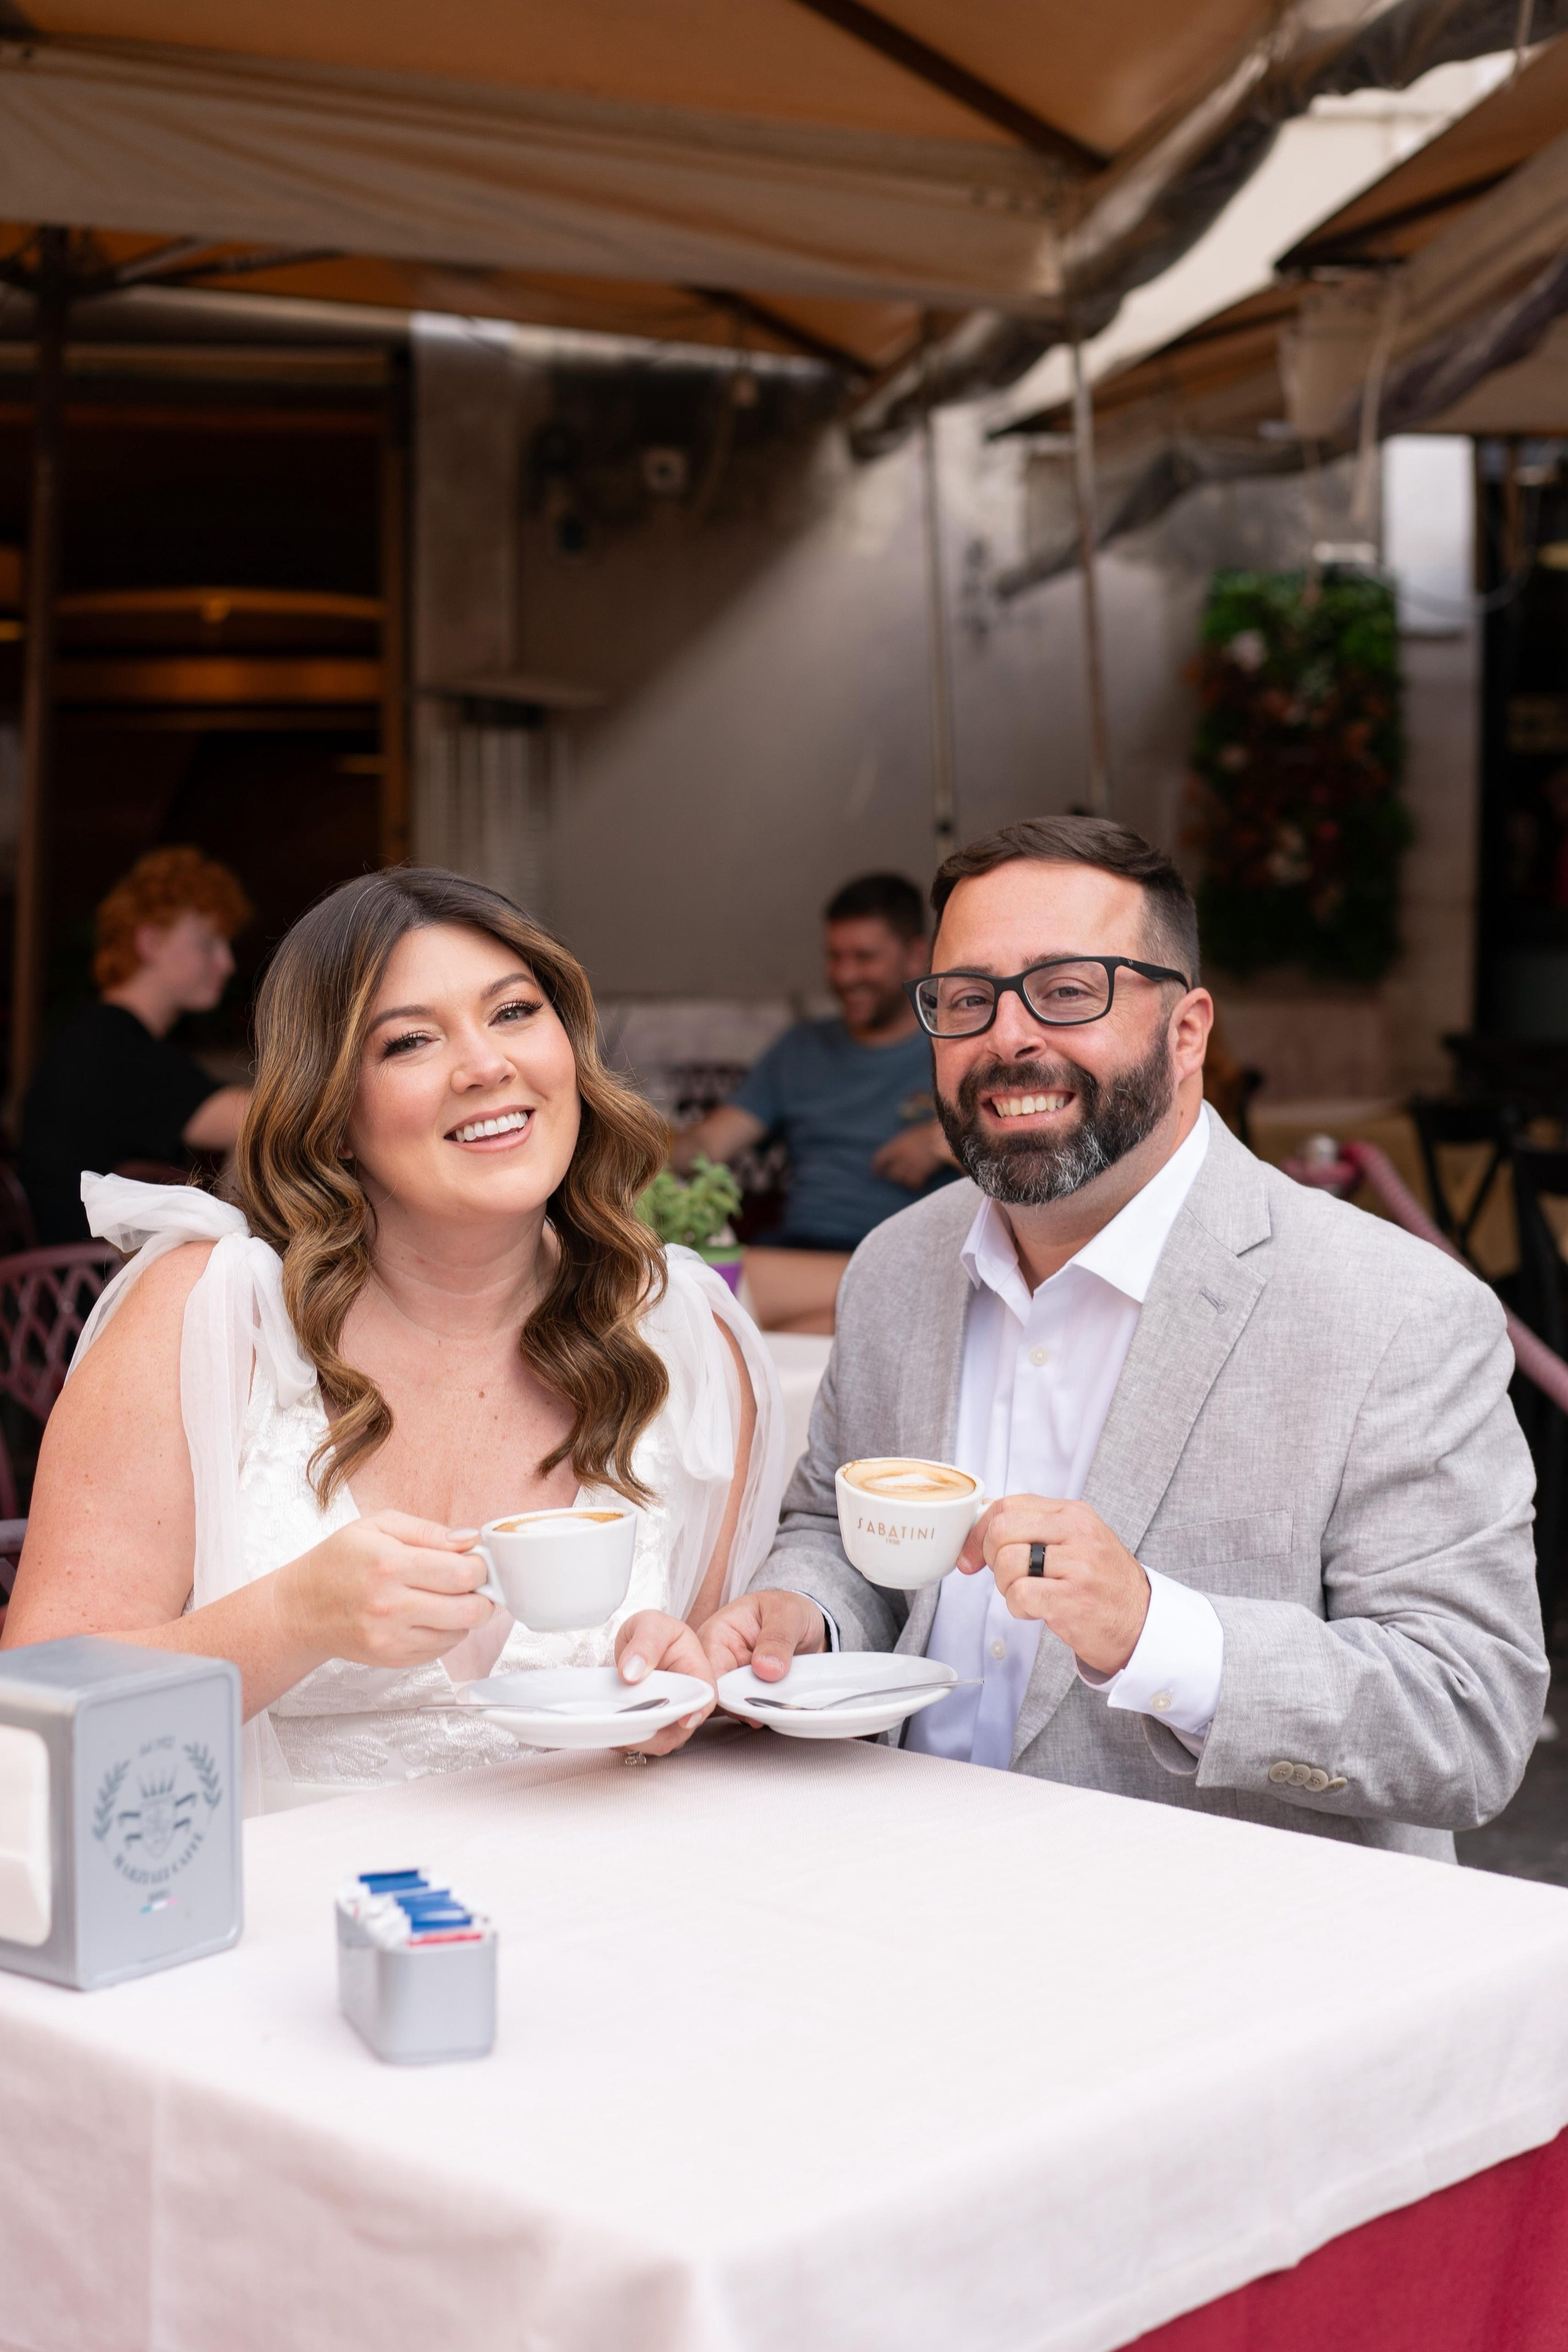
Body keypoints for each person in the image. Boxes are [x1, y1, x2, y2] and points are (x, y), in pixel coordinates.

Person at [701, 815, 1547, 1858]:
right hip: (895, 1888)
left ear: (1186, 1031)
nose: (1008, 1037)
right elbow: (840, 1531)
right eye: (968, 999)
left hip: (1219, 1957)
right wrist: (798, 1616)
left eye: (1068, 990)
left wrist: (1156, 1634)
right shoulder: (894, 1268)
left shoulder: (1395, 1311)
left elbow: (1467, 1722)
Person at [4, 869, 786, 1809]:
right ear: (332, 1115)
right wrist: (292, 1619)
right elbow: (31, 1715)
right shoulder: (209, 1319)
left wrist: (686, 1686)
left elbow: (709, 1716)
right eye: (411, 1041)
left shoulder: (687, 1339)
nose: (485, 1065)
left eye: (513, 1013)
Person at [672, 872, 958, 1332]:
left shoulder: (954, 1045)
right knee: (689, 1290)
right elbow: (708, 1145)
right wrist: (621, 1143)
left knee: (717, 1303)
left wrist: (943, 1139)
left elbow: (1016, 1164)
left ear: (916, 954)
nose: (846, 976)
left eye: (865, 958)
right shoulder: (800, 1049)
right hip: (799, 1251)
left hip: (907, 1257)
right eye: (835, 957)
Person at [19, 846, 254, 1244]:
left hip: (64, 1284)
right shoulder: (116, 1051)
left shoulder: (95, 1036)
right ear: (151, 942)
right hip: (91, 1286)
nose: (227, 962)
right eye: (208, 943)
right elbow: (260, 1117)